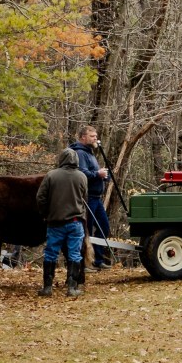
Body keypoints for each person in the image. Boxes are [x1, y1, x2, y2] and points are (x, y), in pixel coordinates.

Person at [35, 147, 88, 298]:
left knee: (51, 253)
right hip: (76, 222)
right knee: (74, 253)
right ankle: (72, 287)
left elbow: (40, 197)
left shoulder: (51, 176)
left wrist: (46, 213)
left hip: (55, 222)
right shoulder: (82, 176)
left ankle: (47, 287)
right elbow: (84, 197)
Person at [71, 125, 112, 269]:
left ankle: (97, 260)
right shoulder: (80, 153)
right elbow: (81, 173)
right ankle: (84, 263)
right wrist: (97, 174)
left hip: (96, 198)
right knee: (85, 230)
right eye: (92, 136)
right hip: (87, 199)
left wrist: (103, 175)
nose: (96, 138)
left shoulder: (90, 152)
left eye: (96, 136)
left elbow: (92, 172)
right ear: (83, 137)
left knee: (104, 228)